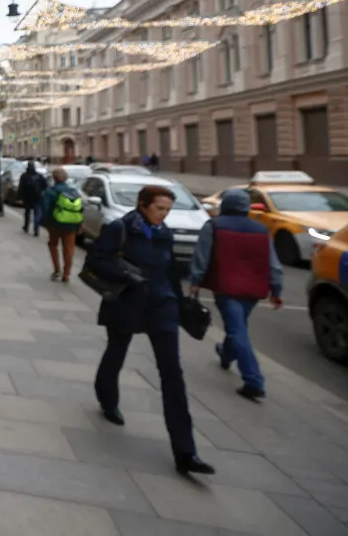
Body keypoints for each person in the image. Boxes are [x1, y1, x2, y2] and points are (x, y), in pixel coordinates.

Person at [86, 185, 215, 476]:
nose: (164, 215)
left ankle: (185, 452)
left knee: (172, 373)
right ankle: (107, 399)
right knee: (116, 351)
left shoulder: (163, 232)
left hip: (162, 307)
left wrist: (181, 302)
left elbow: (171, 272)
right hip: (127, 304)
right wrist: (127, 275)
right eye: (160, 209)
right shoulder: (119, 228)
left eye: (168, 210)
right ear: (143, 205)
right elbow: (96, 261)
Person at [188, 189, 284, 401]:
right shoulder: (261, 230)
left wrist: (195, 282)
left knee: (237, 329)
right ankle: (225, 353)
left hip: (226, 287)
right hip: (253, 290)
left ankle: (253, 380)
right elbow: (273, 264)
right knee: (238, 326)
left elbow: (201, 256)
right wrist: (276, 290)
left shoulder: (214, 225)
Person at [41, 167, 82, 282]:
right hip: (71, 224)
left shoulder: (51, 191)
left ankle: (57, 270)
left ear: (54, 178)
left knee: (53, 245)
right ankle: (67, 274)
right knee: (69, 249)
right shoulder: (74, 192)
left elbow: (45, 208)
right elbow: (80, 209)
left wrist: (45, 222)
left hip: (54, 224)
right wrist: (79, 224)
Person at [18, 161, 47, 237]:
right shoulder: (39, 176)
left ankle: (26, 226)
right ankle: (36, 230)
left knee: (27, 213)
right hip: (37, 197)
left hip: (27, 197)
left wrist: (20, 197)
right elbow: (45, 185)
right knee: (37, 214)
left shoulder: (24, 176)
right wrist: (41, 192)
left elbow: (21, 188)